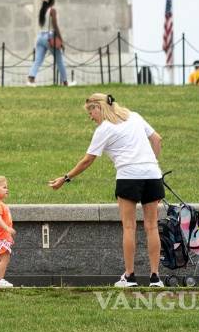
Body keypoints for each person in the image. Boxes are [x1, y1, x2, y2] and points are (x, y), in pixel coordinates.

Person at [49, 93, 165, 288]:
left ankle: (130, 276)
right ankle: (155, 278)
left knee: (129, 227)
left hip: (129, 176)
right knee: (152, 227)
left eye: (90, 112)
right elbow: (157, 140)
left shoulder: (104, 129)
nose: (90, 117)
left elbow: (88, 160)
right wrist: (151, 164)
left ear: (98, 108)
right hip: (153, 174)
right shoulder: (135, 116)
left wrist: (65, 178)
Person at [27, 0, 69, 86]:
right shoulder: (52, 10)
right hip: (49, 37)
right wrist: (61, 40)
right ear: (52, 1)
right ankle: (65, 82)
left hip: (40, 36)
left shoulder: (42, 10)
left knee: (38, 59)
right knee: (59, 60)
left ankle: (31, 79)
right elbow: (55, 25)